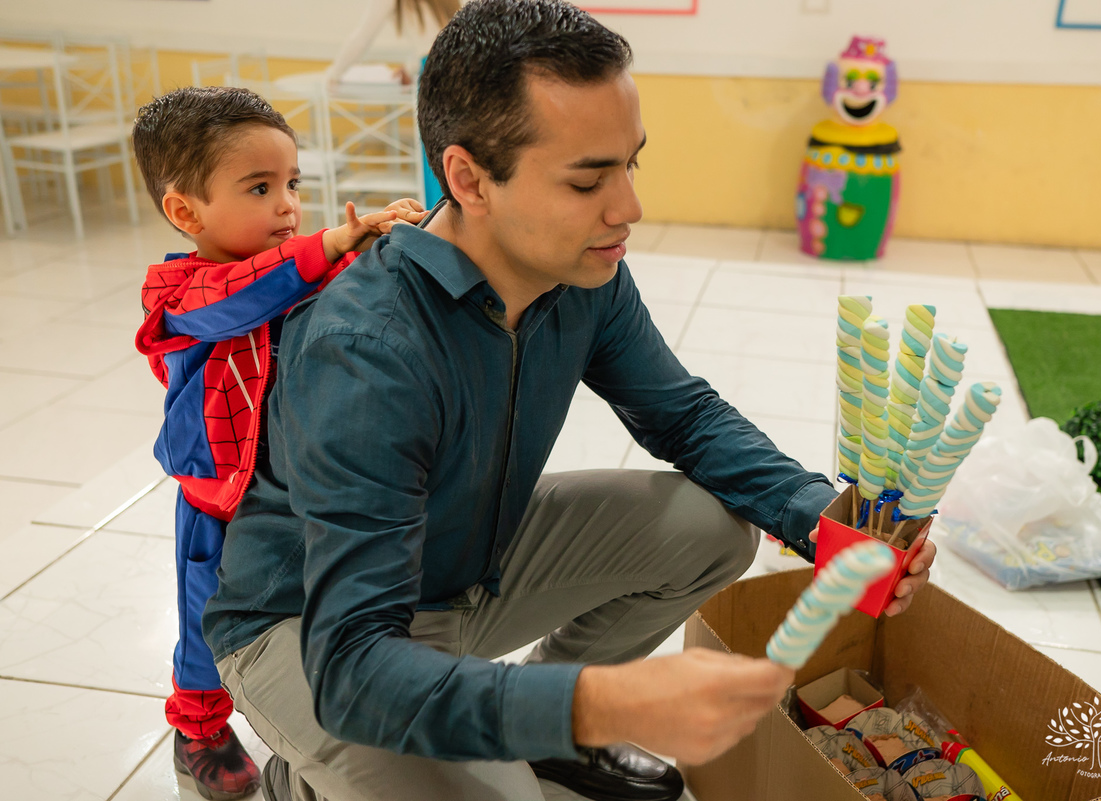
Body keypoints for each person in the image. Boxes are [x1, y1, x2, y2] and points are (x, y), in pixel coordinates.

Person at [203, 3, 938, 801]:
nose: (628, 208)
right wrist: (603, 699)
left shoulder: (582, 275)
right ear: (468, 178)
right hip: (316, 631)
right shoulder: (367, 350)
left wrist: (820, 514)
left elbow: (682, 415)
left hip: (462, 569)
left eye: (631, 165)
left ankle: (542, 737)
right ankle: (302, 778)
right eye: (588, 179)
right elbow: (353, 666)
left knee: (709, 526)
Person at [130, 85, 426, 801]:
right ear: (185, 211)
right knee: (208, 625)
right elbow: (240, 295)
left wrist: (390, 245)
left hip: (294, 491)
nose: (288, 204)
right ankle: (199, 727)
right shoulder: (178, 293)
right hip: (216, 502)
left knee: (305, 607)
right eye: (260, 187)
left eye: (292, 183)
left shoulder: (293, 268)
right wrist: (327, 246)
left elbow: (335, 293)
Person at [324, 0, 459, 87]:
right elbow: (436, 38)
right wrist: (409, 68)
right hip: (463, 63)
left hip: (434, 70)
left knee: (436, 130)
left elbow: (361, 39)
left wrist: (333, 75)